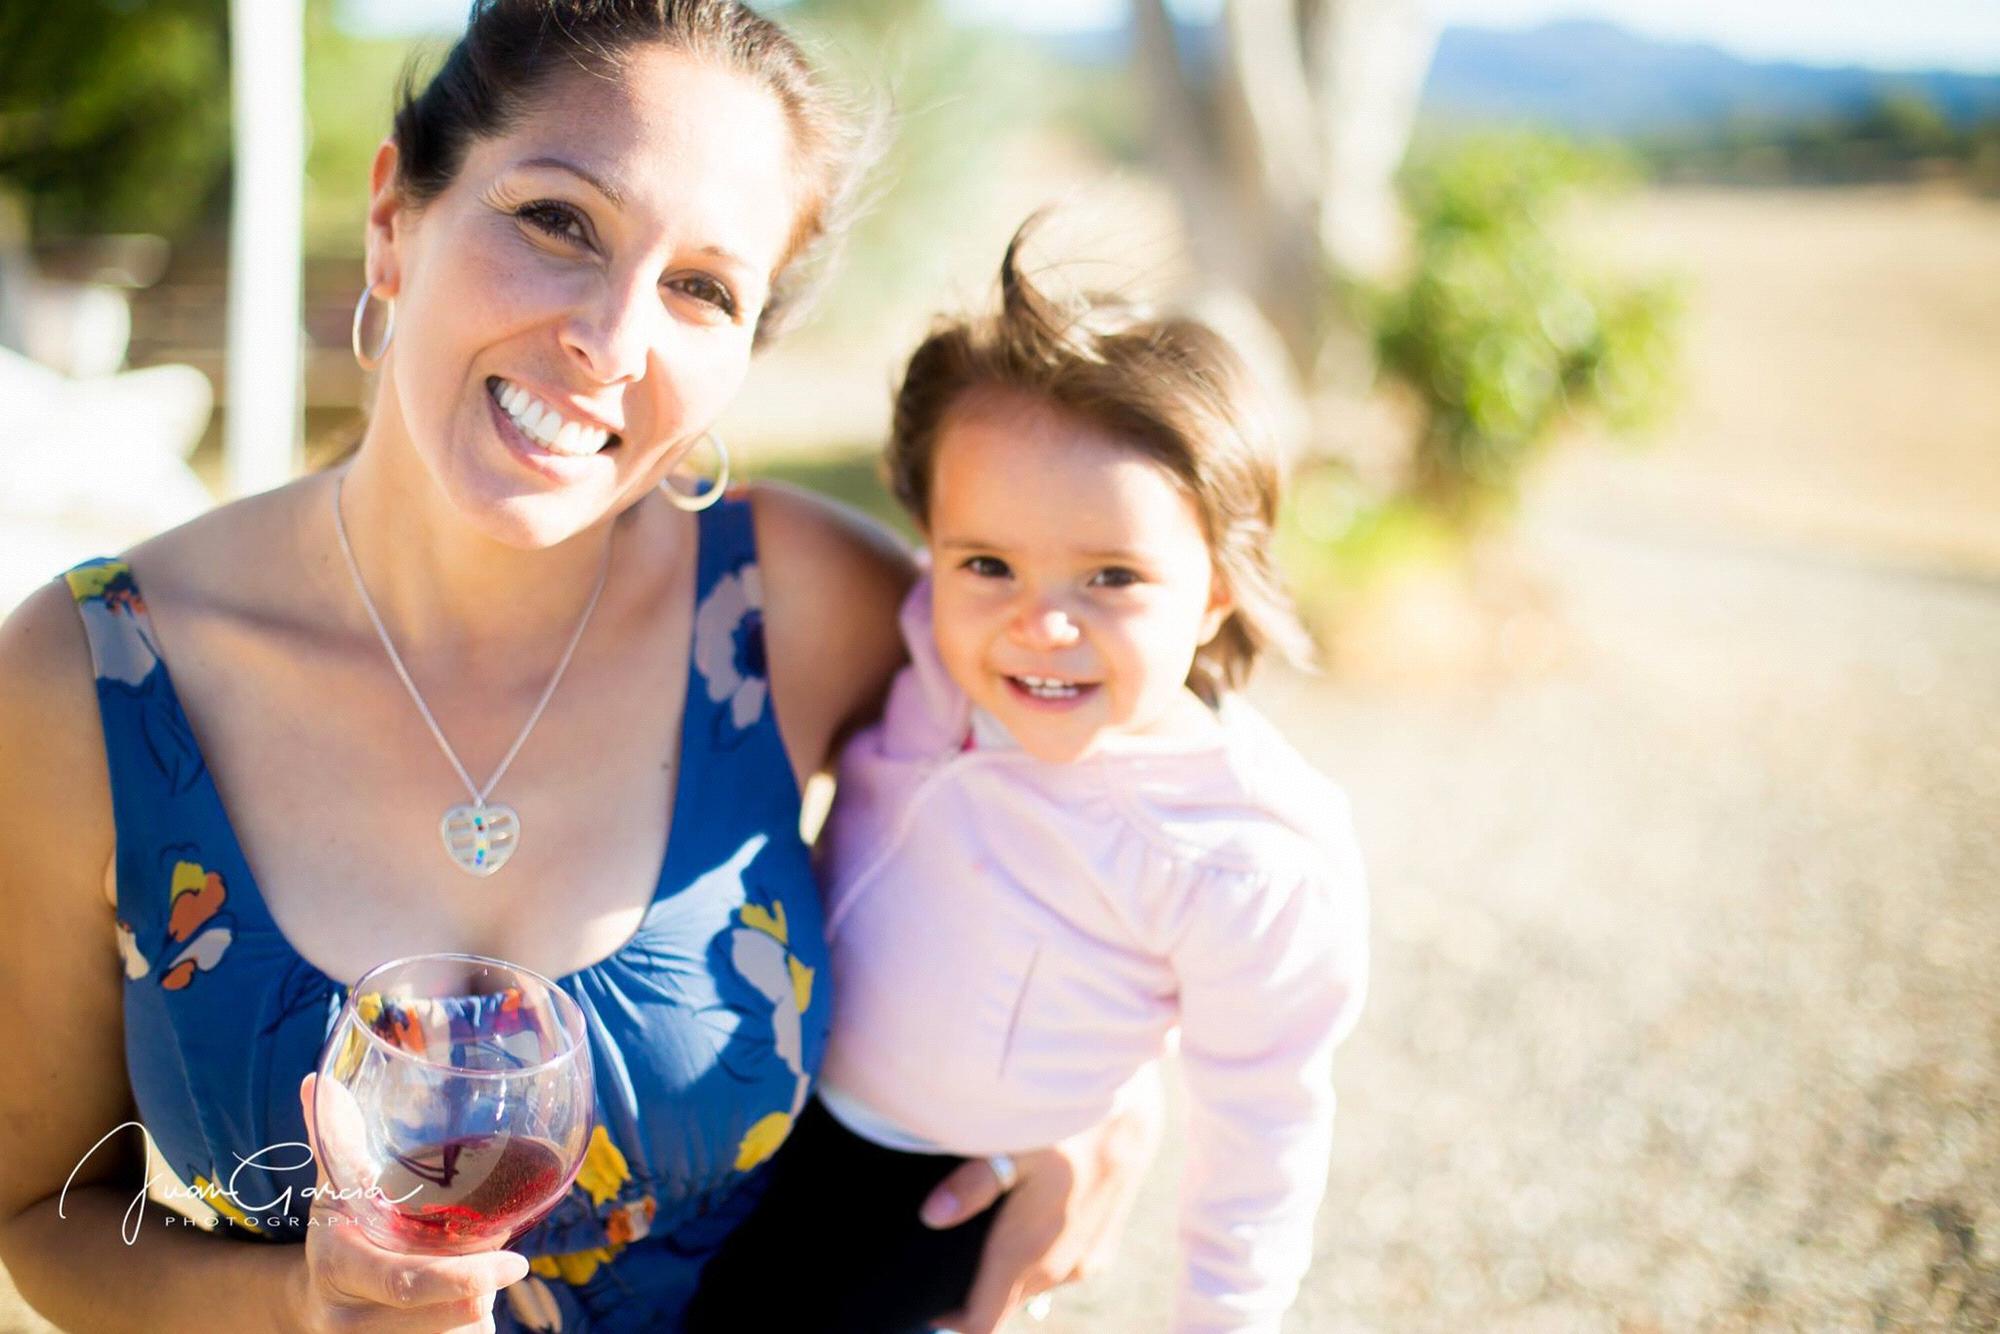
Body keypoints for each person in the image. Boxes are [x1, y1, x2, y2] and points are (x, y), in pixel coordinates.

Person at [0, 5, 1157, 1331]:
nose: (611, 339)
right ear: (394, 219)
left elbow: (1118, 772)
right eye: (558, 220)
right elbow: (38, 1214)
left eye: (702, 289)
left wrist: (1112, 1079)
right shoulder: (86, 679)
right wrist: (297, 1304)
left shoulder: (797, 607)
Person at [688, 225, 1370, 1334]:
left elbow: (1265, 1125)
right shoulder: (933, 645)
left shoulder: (1241, 852)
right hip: (761, 1115)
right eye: (988, 563)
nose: (1040, 623)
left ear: (1215, 591)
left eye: (1112, 577)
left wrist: (1222, 1317)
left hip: (930, 1197)